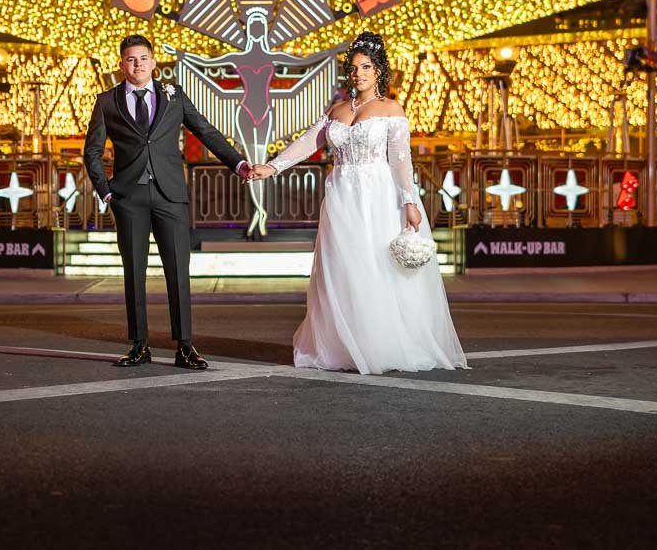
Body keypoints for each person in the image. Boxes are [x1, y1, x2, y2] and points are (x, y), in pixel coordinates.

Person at [252, 31, 467, 375]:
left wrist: (409, 201)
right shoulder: (336, 110)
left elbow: (399, 160)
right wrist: (272, 166)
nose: (359, 73)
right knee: (341, 268)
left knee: (375, 268)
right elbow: (309, 142)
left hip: (378, 196)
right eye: (353, 68)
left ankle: (380, 345)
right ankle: (344, 346)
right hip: (341, 195)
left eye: (366, 67)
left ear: (379, 70)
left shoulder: (391, 109)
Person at [84, 34, 250, 370]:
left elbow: (205, 131)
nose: (138, 65)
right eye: (131, 59)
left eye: (143, 58)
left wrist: (238, 163)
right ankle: (140, 345)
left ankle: (185, 346)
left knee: (178, 272)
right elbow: (93, 151)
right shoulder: (106, 101)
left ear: (153, 62)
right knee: (135, 273)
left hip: (170, 196)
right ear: (122, 64)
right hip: (128, 198)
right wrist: (106, 191)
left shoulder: (173, 95)